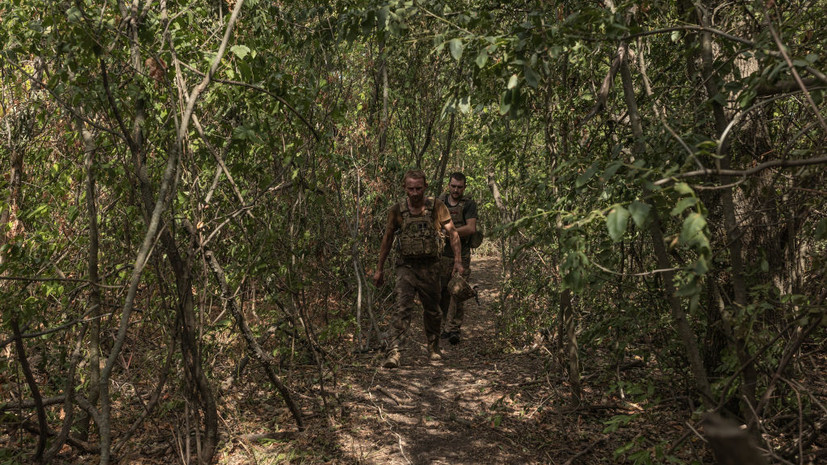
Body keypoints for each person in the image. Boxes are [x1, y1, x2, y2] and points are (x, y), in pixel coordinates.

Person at [373, 169, 464, 368]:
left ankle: (433, 347)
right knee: (402, 308)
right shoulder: (397, 210)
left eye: (418, 188)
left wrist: (457, 261)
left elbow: (453, 234)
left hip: (431, 268)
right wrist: (379, 269)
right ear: (405, 188)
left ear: (425, 187)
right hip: (406, 268)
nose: (414, 193)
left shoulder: (437, 207)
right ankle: (395, 352)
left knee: (433, 310)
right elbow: (387, 239)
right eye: (411, 188)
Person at [439, 172, 478, 345]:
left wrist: (450, 233)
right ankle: (444, 326)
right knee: (442, 292)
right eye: (453, 186)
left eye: (459, 187)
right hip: (440, 254)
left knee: (458, 291)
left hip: (462, 254)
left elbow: (471, 228)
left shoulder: (468, 204)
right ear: (449, 185)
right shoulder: (440, 202)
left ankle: (454, 329)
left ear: (464, 187)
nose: (456, 190)